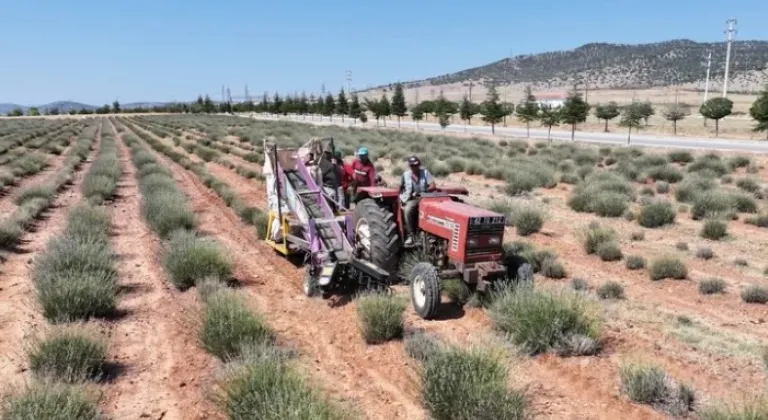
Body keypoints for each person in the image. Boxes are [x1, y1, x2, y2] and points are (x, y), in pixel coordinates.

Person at [399, 156, 436, 246]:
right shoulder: (406, 174)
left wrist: (423, 192)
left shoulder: (425, 173)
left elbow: (433, 185)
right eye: (412, 165)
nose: (414, 167)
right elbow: (400, 187)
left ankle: (431, 234)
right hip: (411, 198)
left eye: (415, 165)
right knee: (408, 209)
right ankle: (411, 235)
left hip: (423, 197)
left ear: (419, 164)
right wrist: (399, 196)